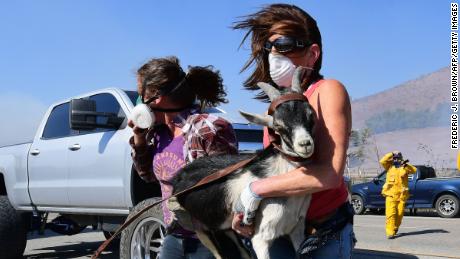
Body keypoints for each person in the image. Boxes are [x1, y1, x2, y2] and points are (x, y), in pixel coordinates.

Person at [232, 4, 355, 258]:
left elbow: (330, 174)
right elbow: (271, 169)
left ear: (313, 53)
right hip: (278, 229)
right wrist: (244, 209)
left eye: (285, 44)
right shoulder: (277, 107)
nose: (274, 53)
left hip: (320, 233)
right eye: (270, 46)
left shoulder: (327, 90)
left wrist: (255, 190)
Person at [129, 56, 238, 259]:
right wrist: (139, 138)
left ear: (155, 96)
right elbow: (147, 176)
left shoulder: (208, 128)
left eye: (139, 93)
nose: (138, 101)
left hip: (209, 240)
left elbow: (229, 187)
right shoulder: (158, 133)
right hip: (174, 233)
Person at [380, 151, 416, 239]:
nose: (396, 159)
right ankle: (390, 232)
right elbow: (382, 161)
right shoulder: (389, 167)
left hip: (401, 196)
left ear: (401, 159)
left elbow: (414, 170)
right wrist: (391, 153)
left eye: (398, 158)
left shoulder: (405, 168)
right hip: (390, 195)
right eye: (394, 158)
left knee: (399, 214)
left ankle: (395, 228)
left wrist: (406, 165)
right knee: (390, 214)